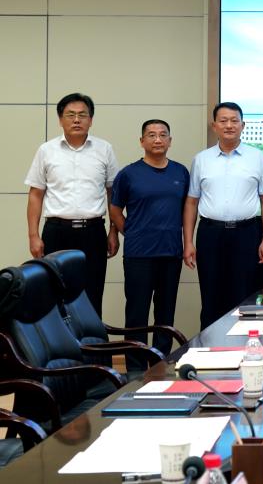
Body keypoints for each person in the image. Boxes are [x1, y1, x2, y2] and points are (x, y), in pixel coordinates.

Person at [25, 92, 119, 315]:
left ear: (91, 120)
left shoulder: (104, 149)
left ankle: (91, 339)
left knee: (92, 294)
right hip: (56, 232)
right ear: (60, 120)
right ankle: (59, 339)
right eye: (70, 115)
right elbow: (36, 194)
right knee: (55, 295)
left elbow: (113, 194)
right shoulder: (46, 150)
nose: (76, 120)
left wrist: (113, 231)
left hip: (93, 232)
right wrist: (33, 235)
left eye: (82, 115)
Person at [183, 102, 263, 329]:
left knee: (245, 295)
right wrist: (188, 242)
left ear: (243, 125)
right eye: (223, 121)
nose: (229, 125)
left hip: (247, 233)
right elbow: (192, 202)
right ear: (214, 126)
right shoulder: (201, 159)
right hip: (210, 233)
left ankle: (246, 344)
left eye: (234, 120)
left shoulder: (258, 157)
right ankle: (209, 345)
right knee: (211, 295)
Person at [109, 119, 189, 369]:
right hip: (139, 255)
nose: (157, 139)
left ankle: (159, 364)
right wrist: (131, 232)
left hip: (171, 253)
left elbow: (187, 209)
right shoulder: (128, 174)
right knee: (137, 313)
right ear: (142, 141)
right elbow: (115, 209)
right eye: (151, 135)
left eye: (163, 135)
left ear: (170, 141)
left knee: (165, 313)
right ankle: (134, 369)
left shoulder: (180, 172)